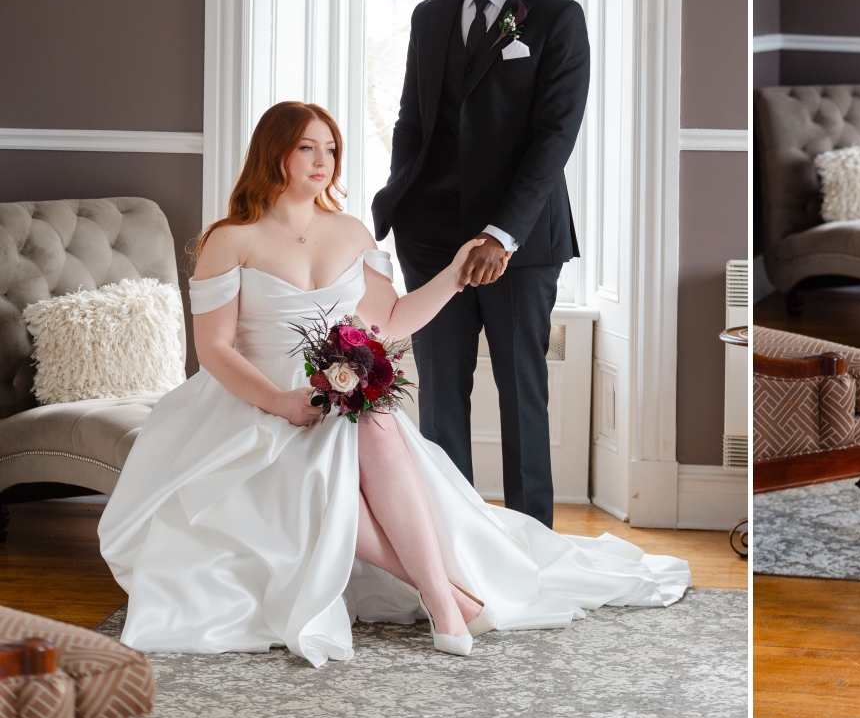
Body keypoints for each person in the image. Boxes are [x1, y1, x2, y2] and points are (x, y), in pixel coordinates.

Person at [98, 103, 687, 665]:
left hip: (336, 391)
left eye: (330, 148)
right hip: (252, 400)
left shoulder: (351, 232)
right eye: (307, 147)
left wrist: (457, 275)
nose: (323, 159)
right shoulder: (231, 238)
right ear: (273, 153)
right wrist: (280, 401)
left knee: (376, 423)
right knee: (316, 475)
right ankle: (450, 596)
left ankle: (440, 601)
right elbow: (214, 349)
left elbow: (394, 319)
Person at [372, 0, 589, 528]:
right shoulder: (431, 17)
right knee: (439, 401)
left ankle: (533, 548)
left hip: (519, 246)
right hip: (432, 240)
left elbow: (555, 138)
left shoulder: (557, 17)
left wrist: (502, 235)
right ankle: (451, 539)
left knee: (523, 395)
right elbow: (413, 120)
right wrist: (403, 209)